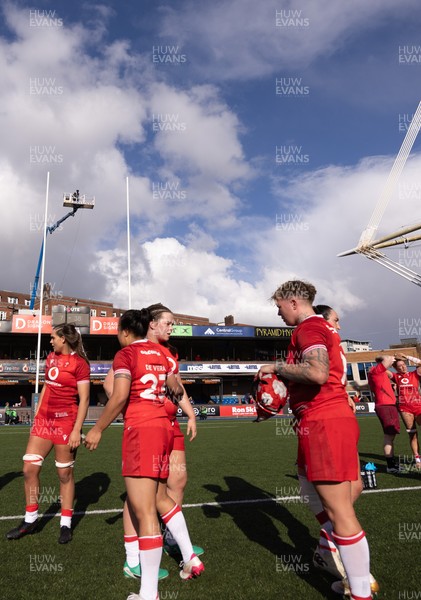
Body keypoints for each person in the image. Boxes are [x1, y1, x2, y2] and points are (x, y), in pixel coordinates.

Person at [258, 280, 374, 599]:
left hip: (324, 420)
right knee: (318, 491)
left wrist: (277, 368)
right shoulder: (322, 327)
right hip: (328, 418)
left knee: (340, 512)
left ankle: (361, 591)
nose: (278, 313)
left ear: (294, 302)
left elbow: (317, 373)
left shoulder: (307, 329)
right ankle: (331, 555)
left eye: (279, 306)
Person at [84, 308, 204, 600]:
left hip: (142, 431)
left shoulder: (125, 355)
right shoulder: (164, 354)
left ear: (126, 331)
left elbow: (120, 395)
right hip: (165, 429)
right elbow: (175, 389)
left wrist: (98, 428)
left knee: (144, 509)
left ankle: (149, 594)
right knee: (161, 498)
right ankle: (190, 557)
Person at [6, 323, 90, 544]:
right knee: (29, 469)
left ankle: (65, 523)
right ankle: (30, 519)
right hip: (44, 421)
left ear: (64, 339)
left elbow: (85, 399)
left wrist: (76, 430)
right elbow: (46, 386)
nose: (50, 341)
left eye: (53, 337)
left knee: (64, 475)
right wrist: (37, 415)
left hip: (66, 423)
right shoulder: (51, 358)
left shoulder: (80, 364)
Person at [367, 356, 401, 473]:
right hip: (386, 405)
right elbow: (387, 359)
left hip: (385, 405)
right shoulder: (376, 371)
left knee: (390, 436)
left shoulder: (376, 372)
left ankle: (392, 464)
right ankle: (391, 465)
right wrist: (391, 359)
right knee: (389, 436)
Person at [390, 354, 421, 470]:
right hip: (405, 408)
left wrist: (407, 357)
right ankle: (417, 458)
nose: (402, 368)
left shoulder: (414, 374)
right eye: (399, 367)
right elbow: (381, 370)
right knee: (412, 434)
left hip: (418, 405)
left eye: (403, 365)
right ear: (396, 369)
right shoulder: (396, 376)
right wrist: (392, 359)